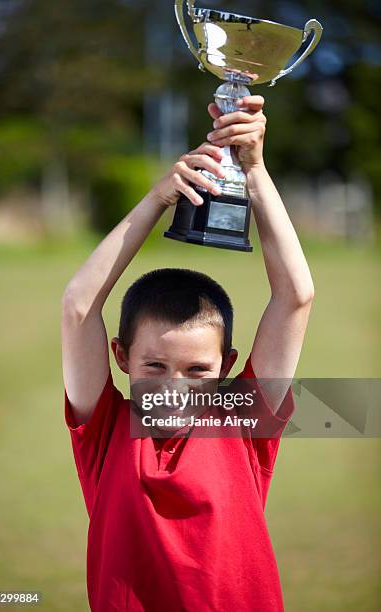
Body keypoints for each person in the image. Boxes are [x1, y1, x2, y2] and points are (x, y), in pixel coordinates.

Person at [61, 95, 314, 611]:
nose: (175, 386)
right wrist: (157, 199)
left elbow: (296, 296)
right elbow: (78, 307)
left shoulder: (244, 421)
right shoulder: (105, 429)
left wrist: (254, 170)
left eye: (198, 370)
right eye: (155, 365)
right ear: (122, 356)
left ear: (227, 365)